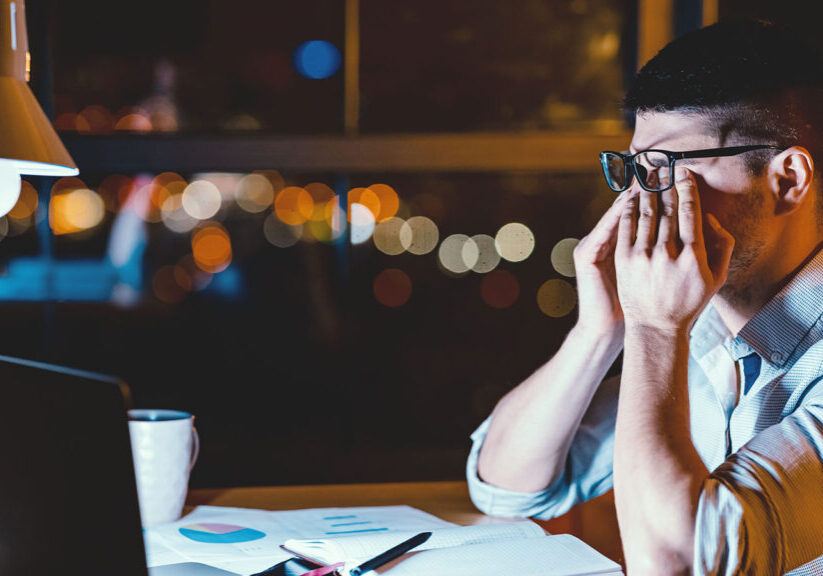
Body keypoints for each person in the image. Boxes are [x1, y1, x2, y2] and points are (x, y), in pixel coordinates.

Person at [466, 19, 823, 576]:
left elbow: (679, 564)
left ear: (787, 179)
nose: (640, 198)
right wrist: (598, 333)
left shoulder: (675, 327)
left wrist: (656, 331)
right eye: (634, 168)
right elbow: (507, 486)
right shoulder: (704, 328)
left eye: (666, 169)